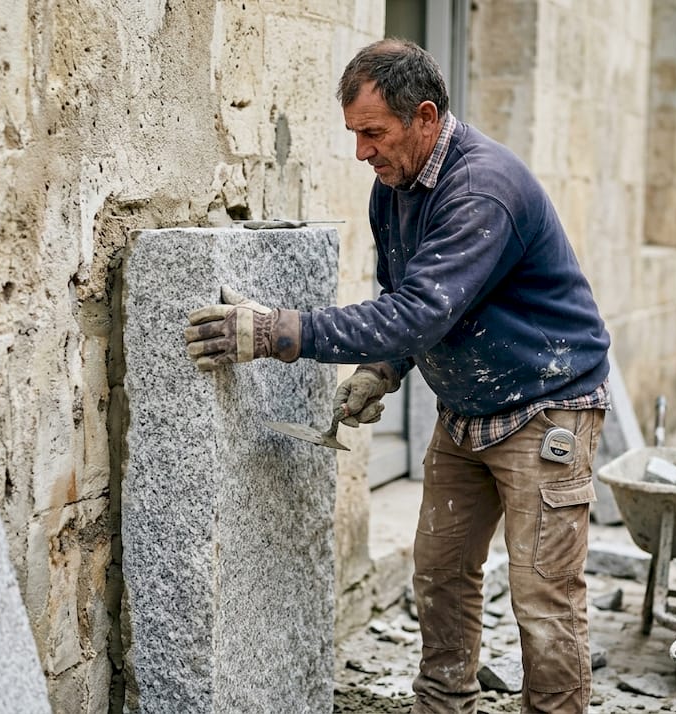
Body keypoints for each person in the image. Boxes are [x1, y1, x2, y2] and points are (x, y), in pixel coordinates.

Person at [184, 39, 611, 713]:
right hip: (469, 407)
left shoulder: (482, 190)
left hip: (547, 406)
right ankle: (443, 706)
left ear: (426, 118)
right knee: (441, 574)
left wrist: (276, 332)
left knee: (542, 597)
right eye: (355, 135)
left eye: (373, 134)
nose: (362, 152)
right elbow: (414, 301)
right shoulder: (396, 188)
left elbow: (417, 310)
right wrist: (382, 369)